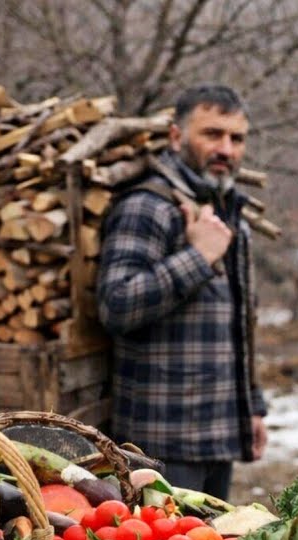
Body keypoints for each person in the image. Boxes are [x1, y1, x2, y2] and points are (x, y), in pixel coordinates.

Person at [97, 84, 268, 501]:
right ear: (176, 137)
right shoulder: (147, 206)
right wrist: (197, 256)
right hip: (160, 442)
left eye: (236, 138)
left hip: (219, 435)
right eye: (212, 134)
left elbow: (238, 323)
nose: (226, 148)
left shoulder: (230, 215)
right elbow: (115, 305)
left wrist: (253, 406)